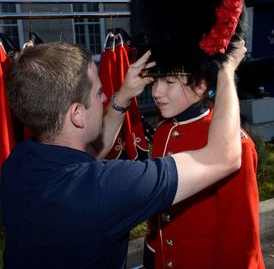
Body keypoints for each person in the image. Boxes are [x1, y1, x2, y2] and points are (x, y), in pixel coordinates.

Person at [0, 41, 244, 268]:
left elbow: (91, 150)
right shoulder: (105, 188)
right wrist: (225, 70)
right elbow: (224, 157)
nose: (106, 97)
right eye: (98, 94)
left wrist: (124, 95)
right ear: (77, 114)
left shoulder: (17, 162)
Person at [143, 65, 265, 269]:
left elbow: (240, 235)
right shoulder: (163, 131)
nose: (156, 92)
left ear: (201, 85)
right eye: (155, 81)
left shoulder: (233, 144)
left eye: (170, 81)